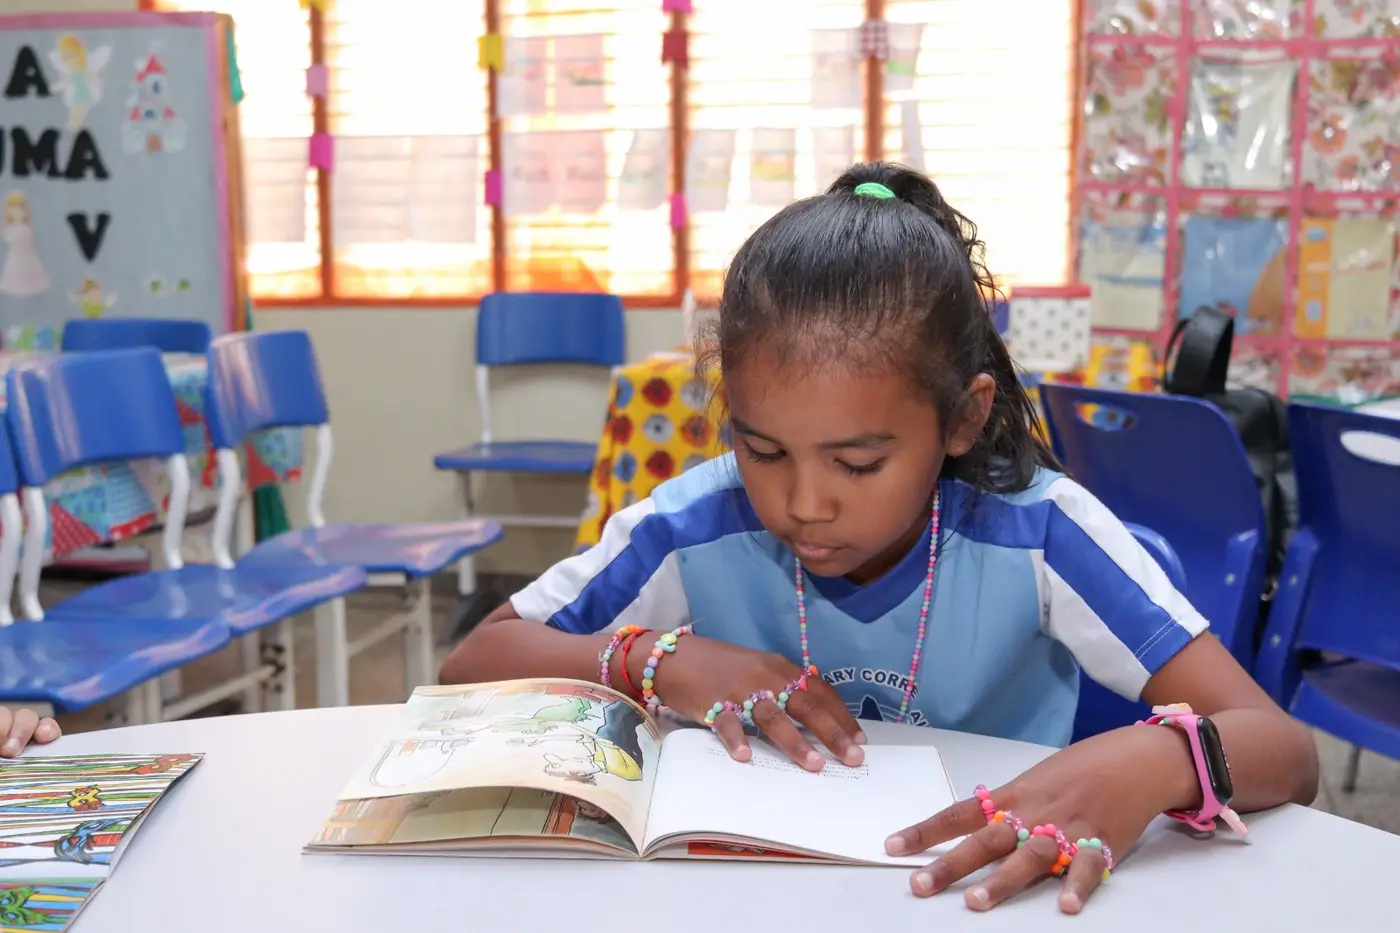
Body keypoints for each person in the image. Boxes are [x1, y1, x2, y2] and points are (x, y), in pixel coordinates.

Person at [440, 162, 1318, 914]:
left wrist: (1155, 760)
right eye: (762, 450)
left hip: (987, 898)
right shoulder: (696, 522)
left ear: (963, 417)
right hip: (749, 898)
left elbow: (1285, 748)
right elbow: (474, 661)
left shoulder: (1042, 532)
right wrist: (653, 658)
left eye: (857, 463)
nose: (804, 503)